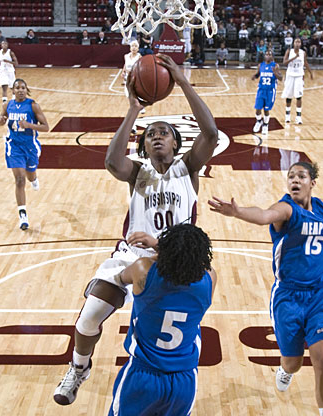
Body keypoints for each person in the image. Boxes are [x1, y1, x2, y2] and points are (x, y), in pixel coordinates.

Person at [53, 53, 218, 406]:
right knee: (90, 315)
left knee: (169, 329)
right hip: (133, 256)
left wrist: (183, 82)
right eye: (151, 135)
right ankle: (79, 367)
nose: (157, 137)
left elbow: (212, 133)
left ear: (176, 142)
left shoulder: (187, 168)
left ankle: (174, 373)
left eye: (164, 133)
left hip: (176, 260)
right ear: (143, 145)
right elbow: (112, 161)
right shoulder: (138, 173)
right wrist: (133, 110)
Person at [208, 161, 323, 416]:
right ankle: (285, 370)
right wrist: (238, 213)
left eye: (300, 176)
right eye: (291, 176)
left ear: (312, 183)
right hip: (289, 297)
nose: (294, 180)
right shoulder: (286, 210)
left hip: (322, 294)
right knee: (293, 363)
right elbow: (263, 215)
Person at [107, 223, 216, 416]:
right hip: (185, 381)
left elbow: (121, 278)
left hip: (143, 376)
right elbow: (192, 264)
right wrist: (164, 246)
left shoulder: (143, 271)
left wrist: (157, 245)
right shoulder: (209, 280)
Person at [0, 79, 49, 230]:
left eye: (23, 88)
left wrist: (29, 125)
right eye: (17, 88)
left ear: (27, 90)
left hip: (30, 146)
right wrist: (0, 120)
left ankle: (34, 178)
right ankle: (23, 215)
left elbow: (46, 127)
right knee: (19, 179)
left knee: (30, 175)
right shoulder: (7, 105)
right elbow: (1, 121)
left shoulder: (33, 105)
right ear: (13, 91)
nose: (20, 90)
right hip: (14, 146)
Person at [282, 38, 313, 125]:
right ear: (293, 43)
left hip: (299, 76)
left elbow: (305, 63)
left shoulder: (303, 53)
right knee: (289, 95)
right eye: (296, 41)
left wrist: (310, 72)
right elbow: (284, 63)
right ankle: (287, 115)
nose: (297, 43)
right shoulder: (289, 51)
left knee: (299, 96)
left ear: (301, 44)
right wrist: (294, 57)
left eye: (299, 42)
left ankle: (298, 117)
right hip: (290, 75)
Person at [252, 50, 283, 135]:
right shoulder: (260, 65)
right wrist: (255, 76)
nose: (268, 56)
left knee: (266, 110)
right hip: (261, 90)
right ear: (264, 56)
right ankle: (258, 121)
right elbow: (258, 74)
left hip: (270, 91)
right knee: (258, 109)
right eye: (266, 54)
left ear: (272, 56)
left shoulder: (275, 66)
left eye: (270, 54)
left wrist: (275, 72)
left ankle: (265, 125)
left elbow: (280, 78)